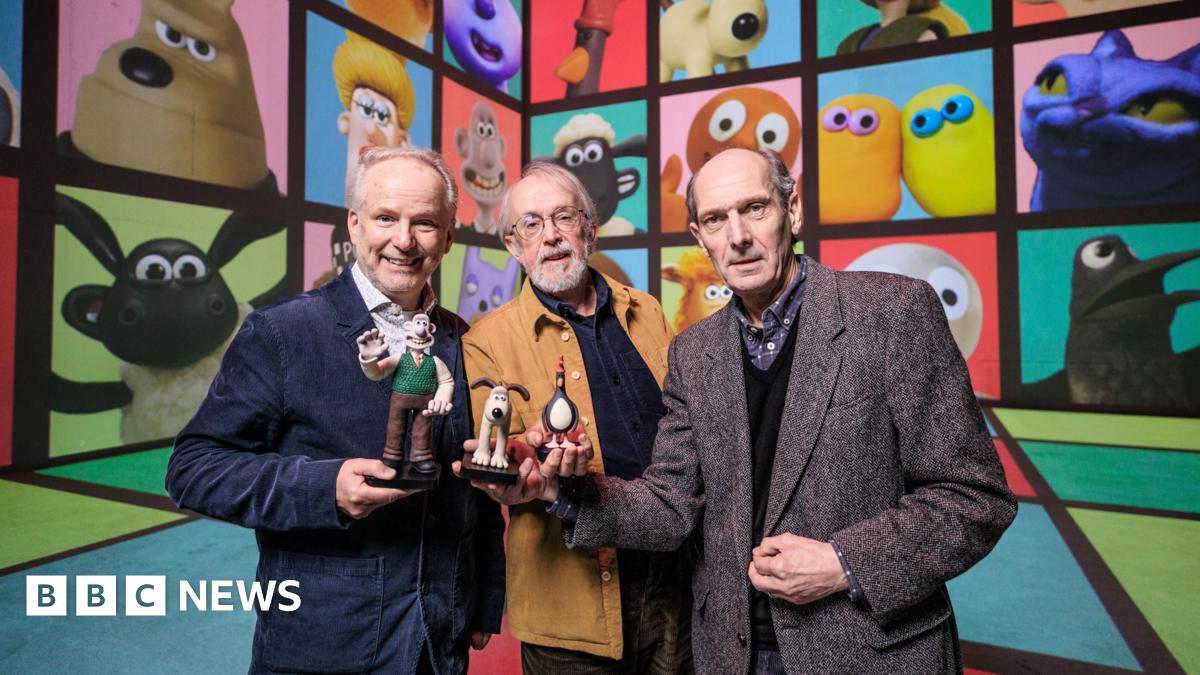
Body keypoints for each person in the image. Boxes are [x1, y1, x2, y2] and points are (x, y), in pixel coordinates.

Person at [497, 148, 1016, 673]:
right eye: (717, 220)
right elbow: (671, 503)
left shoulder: (892, 313)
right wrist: (556, 489)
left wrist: (844, 563)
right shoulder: (694, 352)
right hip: (731, 653)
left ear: (792, 212)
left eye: (755, 209)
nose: (738, 236)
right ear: (700, 238)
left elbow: (975, 497)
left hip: (866, 649)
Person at [166, 147, 504, 674]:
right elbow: (193, 468)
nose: (404, 240)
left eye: (425, 223)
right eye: (386, 218)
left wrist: (483, 598)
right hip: (323, 641)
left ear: (450, 235)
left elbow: (472, 489)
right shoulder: (281, 333)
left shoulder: (462, 342)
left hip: (438, 640)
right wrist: (327, 489)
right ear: (354, 222)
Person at [457, 161, 693, 673]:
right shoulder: (485, 343)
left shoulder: (647, 310)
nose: (551, 236)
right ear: (513, 245)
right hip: (572, 607)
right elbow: (495, 455)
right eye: (532, 224)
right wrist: (522, 462)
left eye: (564, 217)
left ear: (590, 227)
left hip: (676, 584)